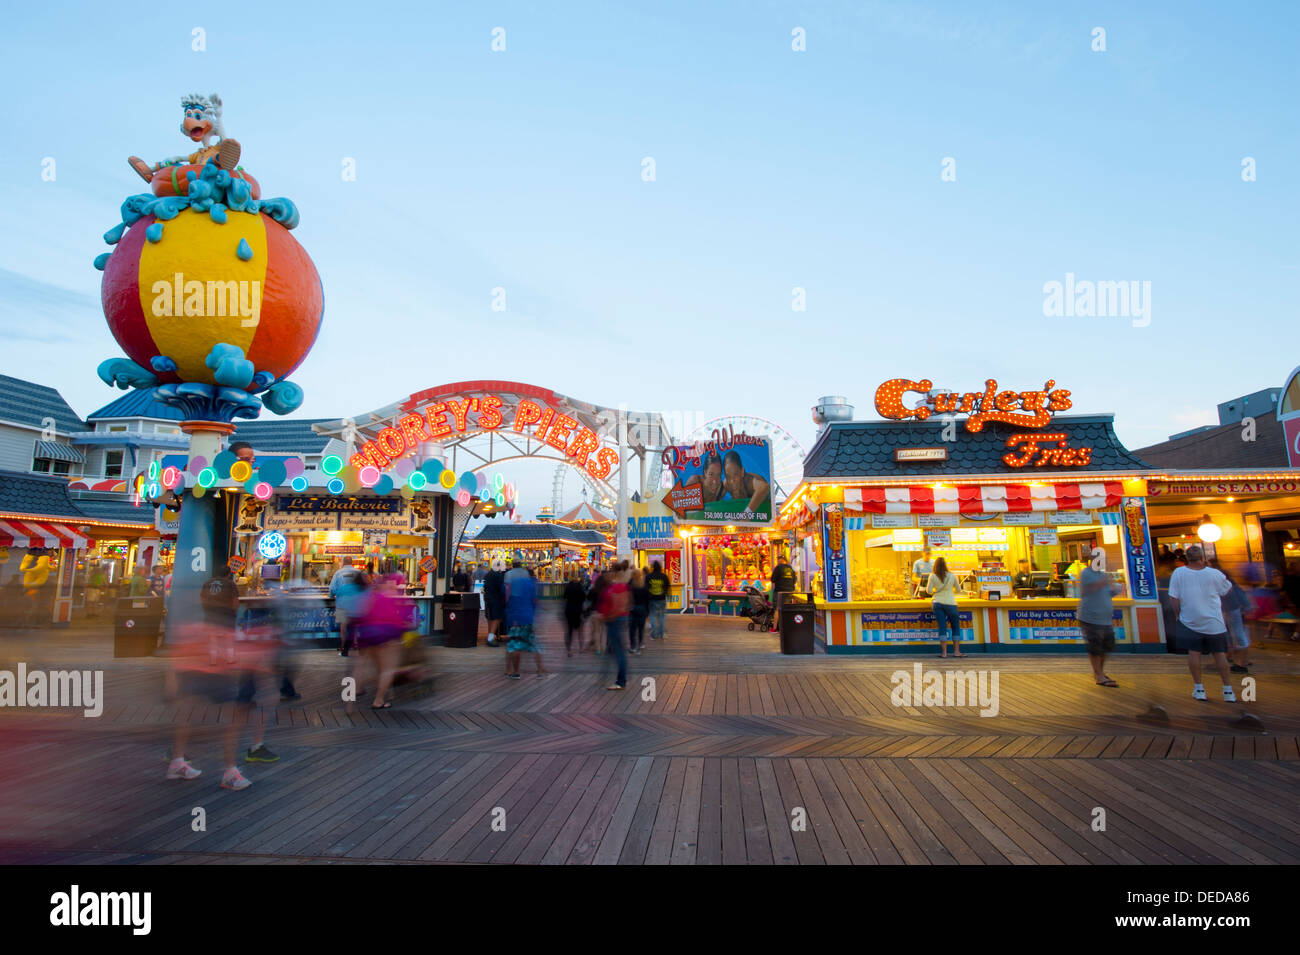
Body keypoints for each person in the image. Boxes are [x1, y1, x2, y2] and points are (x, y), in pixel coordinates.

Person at [1168, 544, 1235, 702]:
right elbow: (1227, 589)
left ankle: (1199, 688)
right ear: (1203, 558)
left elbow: (1173, 597)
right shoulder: (1214, 573)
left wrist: (1178, 614)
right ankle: (1228, 690)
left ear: (1186, 558)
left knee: (1194, 652)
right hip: (1214, 620)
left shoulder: (1179, 573)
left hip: (1190, 619)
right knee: (1219, 654)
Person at [356, 573, 412, 708]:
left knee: (379, 669)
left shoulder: (373, 596)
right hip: (387, 637)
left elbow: (363, 615)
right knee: (387, 670)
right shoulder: (394, 599)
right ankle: (379, 700)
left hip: (369, 636)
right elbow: (400, 619)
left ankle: (357, 691)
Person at [1076, 545, 1120, 687]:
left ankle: (1099, 671)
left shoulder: (1103, 575)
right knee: (1094, 646)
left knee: (1106, 646)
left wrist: (1113, 585)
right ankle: (1099, 675)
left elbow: (1110, 592)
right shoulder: (1086, 573)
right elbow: (1085, 590)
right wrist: (1103, 582)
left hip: (1105, 618)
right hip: (1090, 616)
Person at [504, 561, 545, 679]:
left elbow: (508, 601)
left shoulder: (512, 584)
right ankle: (540, 671)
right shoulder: (530, 583)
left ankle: (515, 672)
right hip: (528, 617)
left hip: (516, 618)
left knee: (514, 646)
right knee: (534, 644)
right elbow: (535, 601)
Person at [1212, 562, 1252, 674]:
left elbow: (1239, 600)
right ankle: (1238, 661)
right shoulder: (1232, 585)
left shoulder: (1229, 586)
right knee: (1235, 636)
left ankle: (1241, 663)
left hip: (1233, 611)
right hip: (1233, 611)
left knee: (1237, 636)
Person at [598, 565, 631, 689]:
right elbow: (627, 603)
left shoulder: (614, 588)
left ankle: (621, 681)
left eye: (610, 572)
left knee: (619, 652)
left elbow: (617, 605)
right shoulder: (620, 586)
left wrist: (608, 616)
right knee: (615, 650)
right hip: (618, 619)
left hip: (614, 620)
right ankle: (621, 677)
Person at [926, 557, 964, 658]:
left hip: (937, 603)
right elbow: (959, 590)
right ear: (945, 565)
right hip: (951, 603)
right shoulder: (952, 576)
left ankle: (944, 653)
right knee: (955, 626)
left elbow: (928, 591)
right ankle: (956, 652)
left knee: (942, 627)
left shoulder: (932, 576)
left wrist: (936, 590)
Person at [329, 559, 364, 656]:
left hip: (342, 603)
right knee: (356, 625)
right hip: (357, 604)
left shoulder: (338, 573)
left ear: (343, 562)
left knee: (343, 626)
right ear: (352, 562)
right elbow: (365, 587)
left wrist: (331, 596)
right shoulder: (358, 572)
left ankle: (343, 646)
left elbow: (332, 589)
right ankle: (356, 643)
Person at [720, 450, 771, 515]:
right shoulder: (726, 484)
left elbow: (765, 487)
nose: (732, 481)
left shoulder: (749, 481)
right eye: (728, 476)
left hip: (766, 507)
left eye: (735, 474)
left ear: (742, 471)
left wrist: (747, 514)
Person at [483, 558, 507, 646]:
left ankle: (490, 637)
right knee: (496, 619)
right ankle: (490, 639)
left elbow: (485, 586)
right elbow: (501, 589)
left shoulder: (488, 574)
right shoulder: (498, 575)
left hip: (488, 598)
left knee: (491, 618)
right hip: (496, 599)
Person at [770, 553, 797, 631]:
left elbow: (773, 580)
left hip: (779, 592)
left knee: (777, 609)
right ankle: (786, 627)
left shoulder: (778, 568)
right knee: (786, 609)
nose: (777, 560)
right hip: (789, 592)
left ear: (781, 560)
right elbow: (794, 580)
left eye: (778, 559)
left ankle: (775, 628)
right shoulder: (791, 568)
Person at [646, 560, 670, 640]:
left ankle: (653, 634)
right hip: (662, 598)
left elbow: (646, 588)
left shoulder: (649, 576)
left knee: (653, 616)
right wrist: (668, 595)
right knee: (662, 617)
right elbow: (667, 587)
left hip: (652, 599)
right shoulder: (664, 576)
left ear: (653, 567)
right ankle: (662, 633)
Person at [563, 573, 586, 656]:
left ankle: (569, 650)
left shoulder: (568, 586)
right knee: (580, 630)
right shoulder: (580, 587)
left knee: (569, 631)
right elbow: (584, 598)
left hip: (569, 610)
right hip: (578, 610)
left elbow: (564, 597)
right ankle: (581, 648)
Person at [629, 567, 649, 655]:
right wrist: (647, 610)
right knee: (641, 628)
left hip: (633, 608)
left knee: (632, 628)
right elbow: (647, 599)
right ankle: (640, 643)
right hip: (642, 608)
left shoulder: (630, 585)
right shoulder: (644, 585)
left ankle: (633, 646)